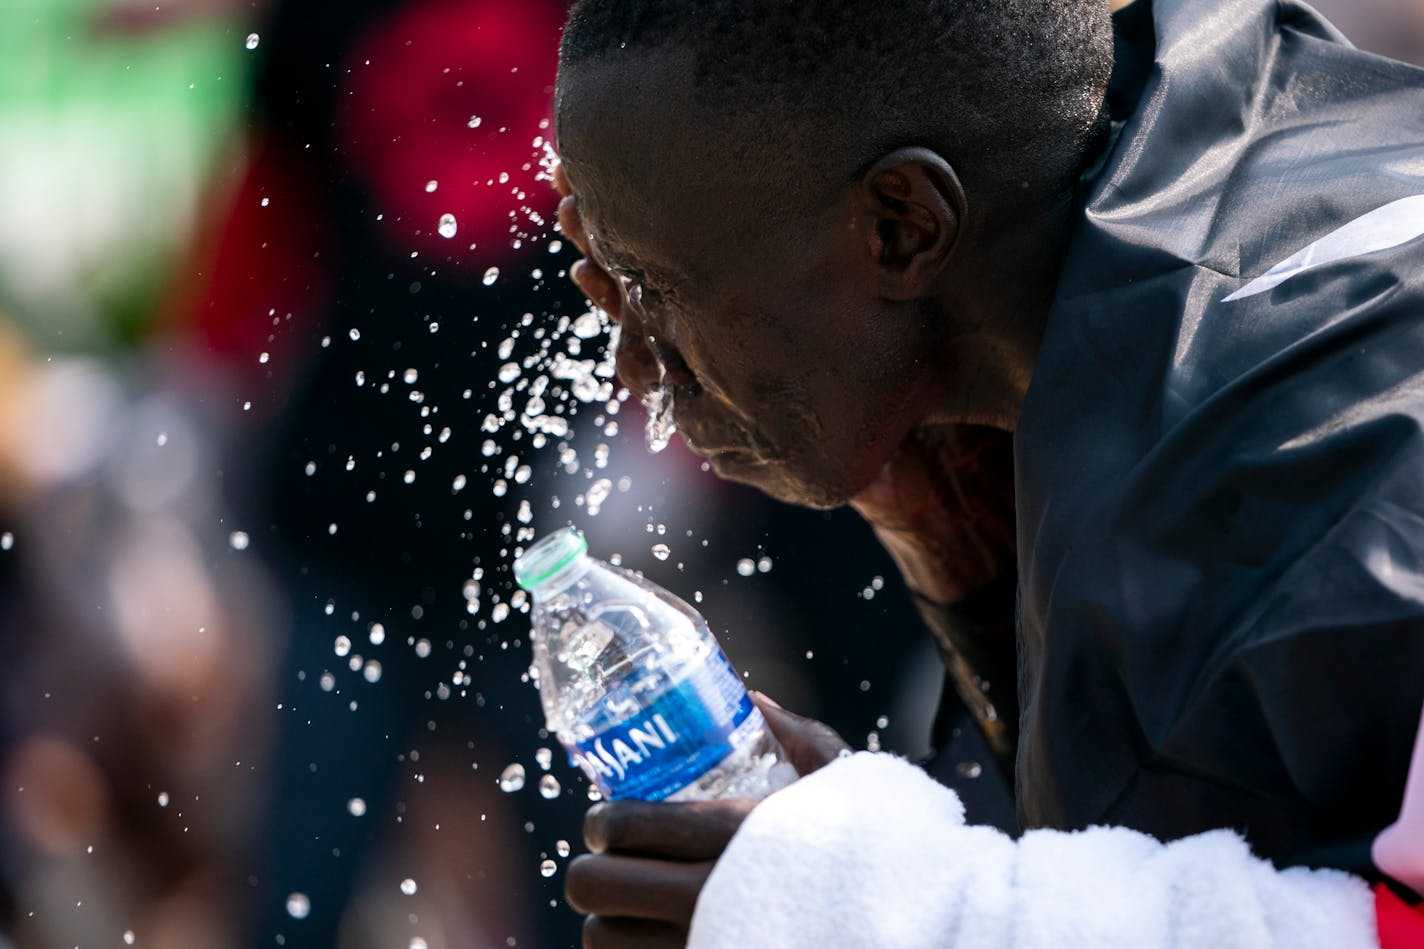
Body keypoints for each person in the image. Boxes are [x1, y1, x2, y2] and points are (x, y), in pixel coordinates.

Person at [548, 0, 1424, 946]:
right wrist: (975, 579)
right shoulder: (1241, 96)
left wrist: (893, 911)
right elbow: (1203, 839)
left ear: (904, 228)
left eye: (657, 289)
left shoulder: (1273, 493)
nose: (634, 362)